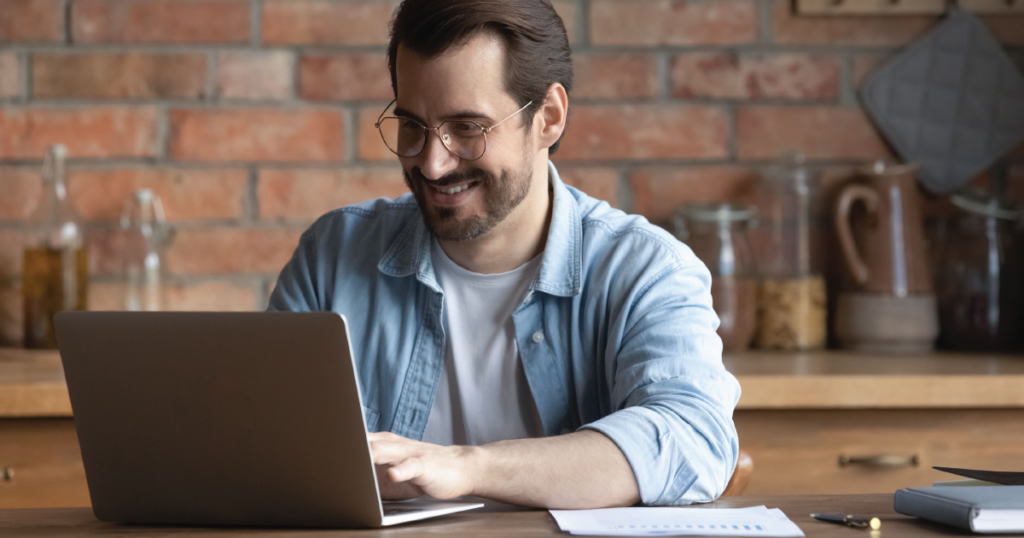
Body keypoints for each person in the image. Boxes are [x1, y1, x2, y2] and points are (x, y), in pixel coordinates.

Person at [268, 0, 740, 508]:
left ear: (549, 118)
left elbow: (692, 441)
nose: (431, 162)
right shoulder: (332, 258)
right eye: (412, 125)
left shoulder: (645, 270)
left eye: (467, 128)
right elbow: (263, 443)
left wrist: (467, 467)